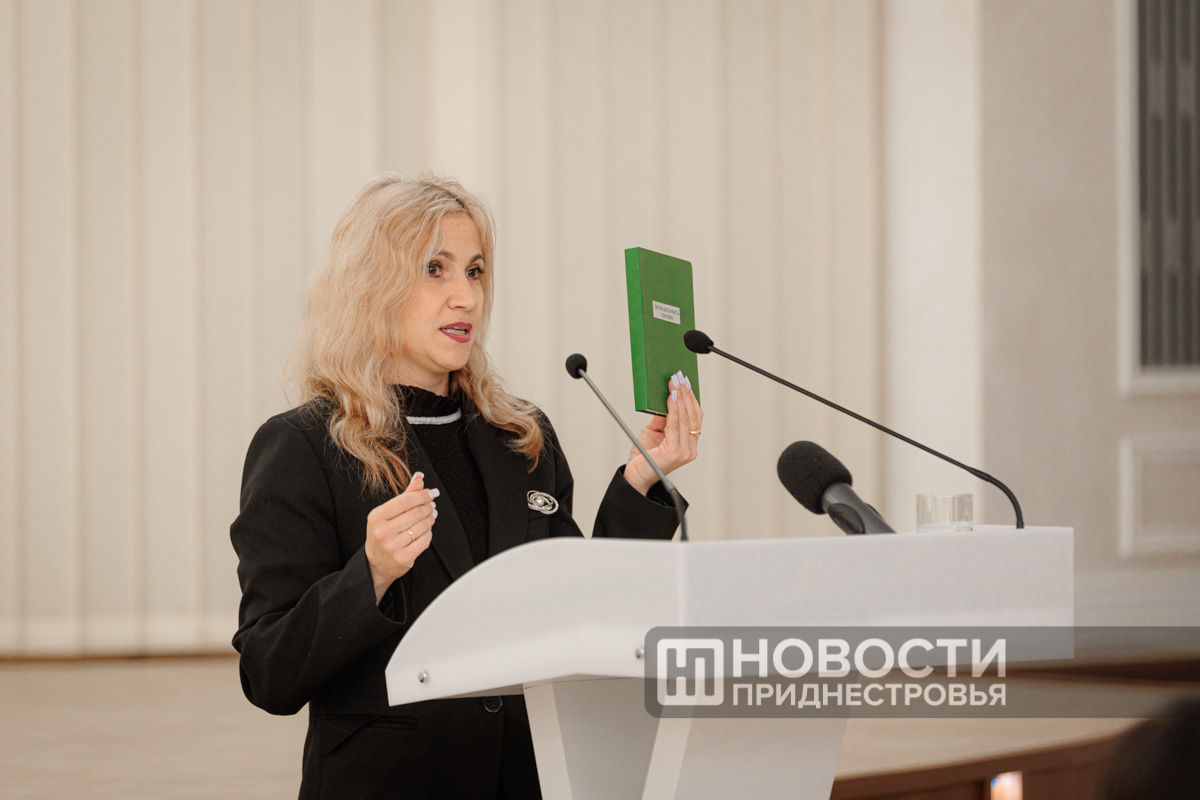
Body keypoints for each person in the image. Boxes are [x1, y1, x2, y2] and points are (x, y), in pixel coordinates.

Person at [230, 173, 702, 799]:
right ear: (370, 285)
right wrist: (370, 575)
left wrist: (640, 484)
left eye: (475, 272)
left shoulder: (522, 437)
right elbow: (270, 672)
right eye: (436, 269)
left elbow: (578, 610)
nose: (467, 297)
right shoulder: (303, 446)